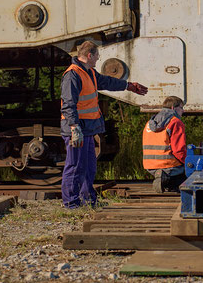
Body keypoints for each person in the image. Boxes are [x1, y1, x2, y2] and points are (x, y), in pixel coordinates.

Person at [60, 40, 148, 208]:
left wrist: (129, 86)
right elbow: (68, 104)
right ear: (89, 55)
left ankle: (88, 200)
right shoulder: (73, 75)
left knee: (88, 167)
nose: (98, 60)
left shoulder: (89, 73)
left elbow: (108, 82)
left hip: (87, 129)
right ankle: (71, 203)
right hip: (77, 129)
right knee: (75, 166)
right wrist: (74, 127)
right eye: (97, 56)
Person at [142, 96, 187, 192]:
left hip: (150, 167)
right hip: (170, 166)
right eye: (181, 108)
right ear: (173, 108)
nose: (183, 111)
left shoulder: (149, 124)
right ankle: (167, 180)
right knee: (189, 178)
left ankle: (163, 178)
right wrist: (188, 163)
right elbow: (179, 151)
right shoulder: (175, 122)